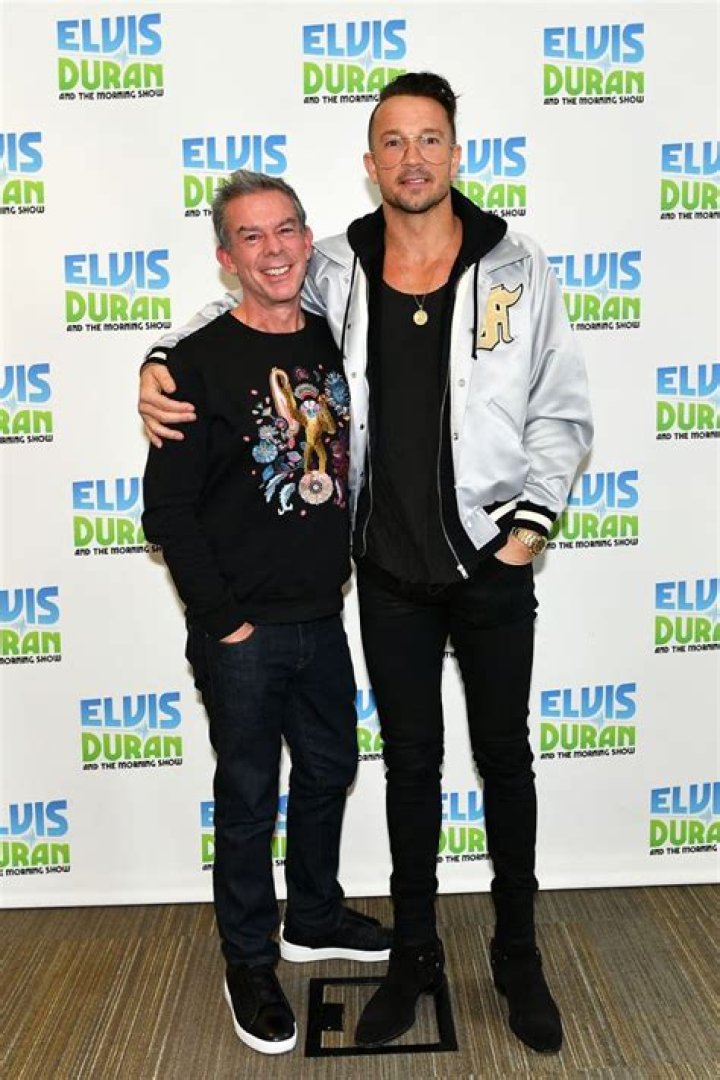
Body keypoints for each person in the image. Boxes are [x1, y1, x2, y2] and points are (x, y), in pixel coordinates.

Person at [139, 74, 593, 1055]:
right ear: (371, 162)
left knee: (505, 759)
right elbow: (244, 308)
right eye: (393, 142)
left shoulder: (518, 265)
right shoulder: (337, 263)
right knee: (410, 767)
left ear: (456, 153)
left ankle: (518, 955)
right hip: (386, 574)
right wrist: (158, 355)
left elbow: (561, 408)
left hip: (492, 565)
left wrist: (527, 530)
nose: (412, 158)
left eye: (429, 139)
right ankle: (415, 954)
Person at [142, 170, 392, 1057]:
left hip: (323, 615)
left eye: (286, 229)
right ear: (226, 257)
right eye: (251, 236)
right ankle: (248, 959)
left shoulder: (337, 338)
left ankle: (311, 914)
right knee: (249, 798)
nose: (274, 249)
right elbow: (166, 512)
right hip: (241, 630)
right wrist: (223, 622)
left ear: (307, 239)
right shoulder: (193, 364)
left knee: (329, 766)